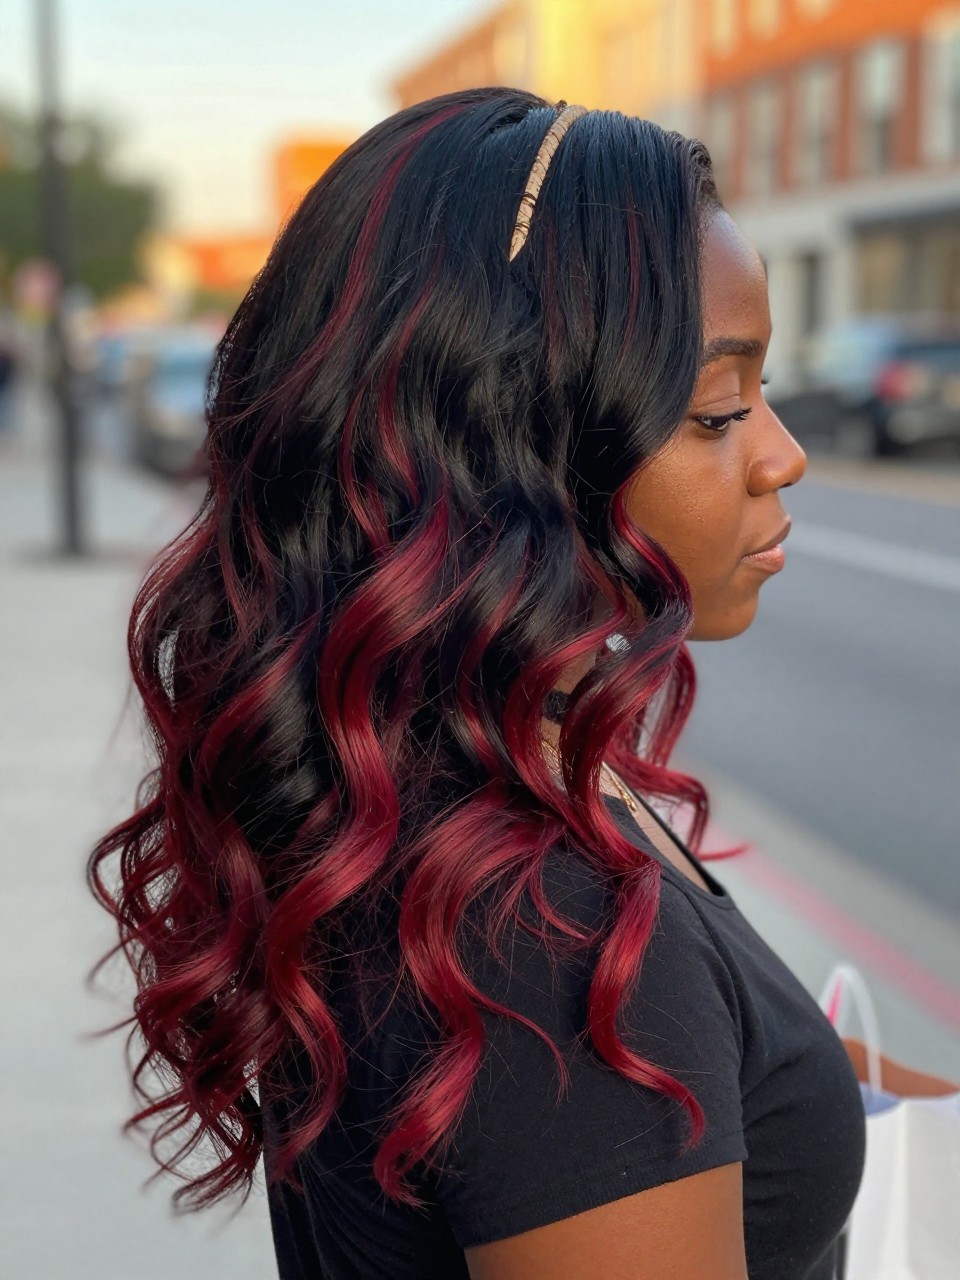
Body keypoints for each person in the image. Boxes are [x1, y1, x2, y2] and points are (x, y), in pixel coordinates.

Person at [86, 88, 958, 1280]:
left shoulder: (464, 773)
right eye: (718, 409)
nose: (782, 453)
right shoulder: (546, 939)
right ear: (507, 447)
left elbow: (704, 1084)